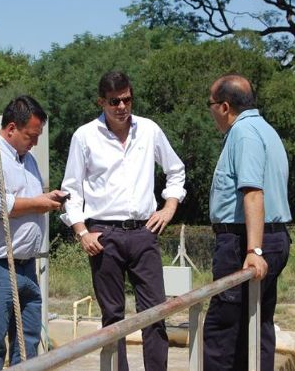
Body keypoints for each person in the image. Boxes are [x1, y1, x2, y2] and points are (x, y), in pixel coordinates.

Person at [60, 70, 186, 371]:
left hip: (143, 231)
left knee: (155, 312)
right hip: (103, 235)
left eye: (127, 100)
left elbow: (176, 170)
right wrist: (82, 232)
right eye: (114, 101)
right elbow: (71, 190)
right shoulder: (84, 136)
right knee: (113, 317)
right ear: (101, 102)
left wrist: (169, 207)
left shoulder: (149, 130)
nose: (121, 107)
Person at [0, 95, 67, 370]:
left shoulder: (27, 160)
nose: (35, 143)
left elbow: (28, 198)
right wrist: (38, 203)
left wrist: (47, 198)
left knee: (28, 340)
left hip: (26, 265)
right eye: (31, 136)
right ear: (11, 128)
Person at [203, 74, 292, 371]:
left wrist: (254, 250)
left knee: (223, 331)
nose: (211, 112)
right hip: (271, 237)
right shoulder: (265, 129)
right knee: (255, 325)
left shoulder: (243, 133)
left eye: (210, 105)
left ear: (224, 107)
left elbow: (253, 192)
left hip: (245, 241)